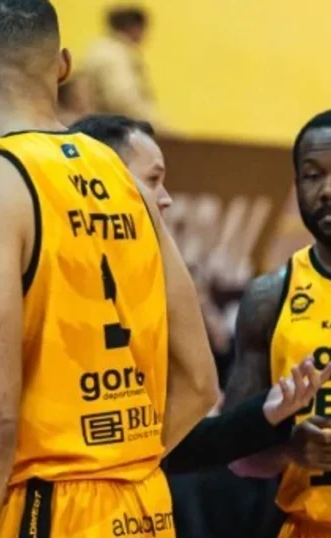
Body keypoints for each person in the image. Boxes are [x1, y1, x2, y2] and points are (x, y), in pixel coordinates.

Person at [0, 2, 329, 538]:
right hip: (143, 509)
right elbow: (199, 382)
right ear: (63, 66)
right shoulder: (128, 184)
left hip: (48, 518)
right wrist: (122, 462)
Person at [69, 113, 331, 473]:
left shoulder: (144, 279)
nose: (167, 199)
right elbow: (199, 396)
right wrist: (287, 448)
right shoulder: (55, 279)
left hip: (129, 493)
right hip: (68, 495)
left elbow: (178, 429)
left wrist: (265, 414)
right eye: (153, 180)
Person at [224, 111, 331, 538]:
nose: (326, 190)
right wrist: (289, 451)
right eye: (312, 175)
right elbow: (236, 451)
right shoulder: (270, 296)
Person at [83, 6, 168, 131]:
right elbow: (124, 101)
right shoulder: (115, 55)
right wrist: (159, 128)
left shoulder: (98, 49)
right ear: (135, 28)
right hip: (114, 132)